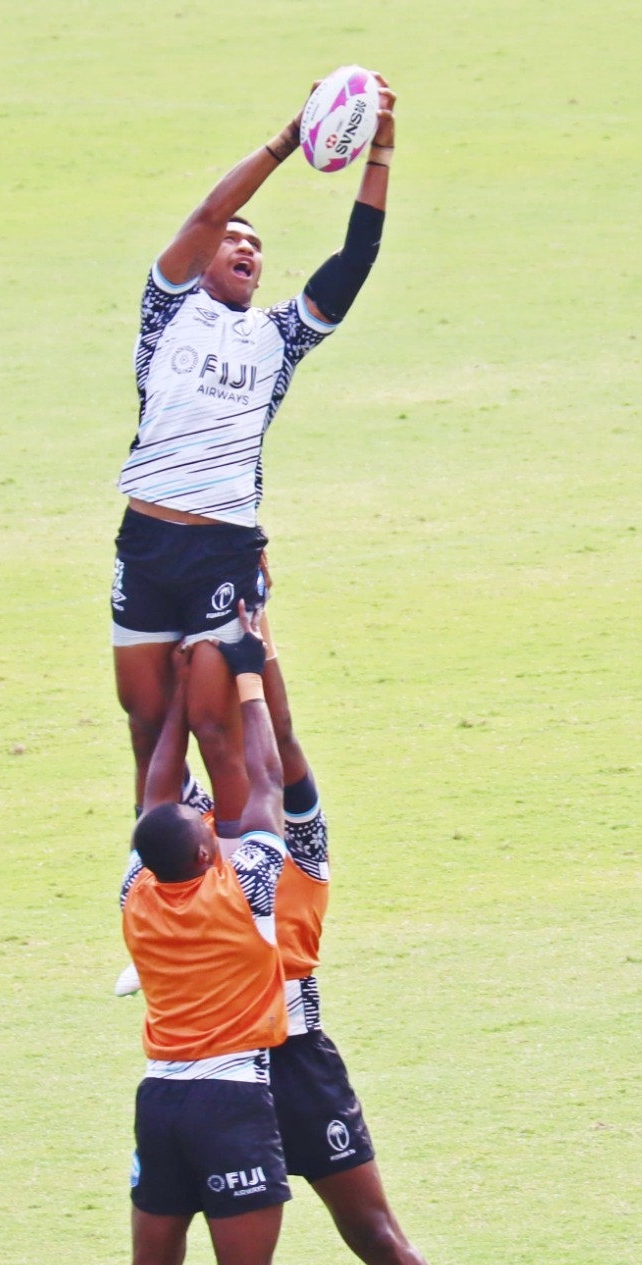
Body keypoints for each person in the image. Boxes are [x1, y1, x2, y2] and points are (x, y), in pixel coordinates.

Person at [165, 616, 520, 1265]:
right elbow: (168, 766)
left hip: (296, 1061)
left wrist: (259, 653)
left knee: (376, 1235)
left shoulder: (295, 830)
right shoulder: (197, 826)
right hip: (223, 1071)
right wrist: (178, 669)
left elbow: (279, 740)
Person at [110, 73, 396, 999]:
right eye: (234, 239)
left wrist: (379, 153)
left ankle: (249, 909)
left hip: (222, 554)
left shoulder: (279, 339)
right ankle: (162, 908)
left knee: (215, 726)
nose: (245, 245)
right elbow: (206, 211)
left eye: (258, 245)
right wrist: (285, 140)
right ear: (200, 260)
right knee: (145, 724)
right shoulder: (166, 310)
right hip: (143, 547)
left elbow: (355, 260)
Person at [77, 608, 297, 1265]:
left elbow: (155, 804)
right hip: (232, 1101)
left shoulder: (137, 895)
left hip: (158, 1103)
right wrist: (246, 675)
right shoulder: (247, 887)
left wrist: (170, 703)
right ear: (207, 849)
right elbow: (267, 779)